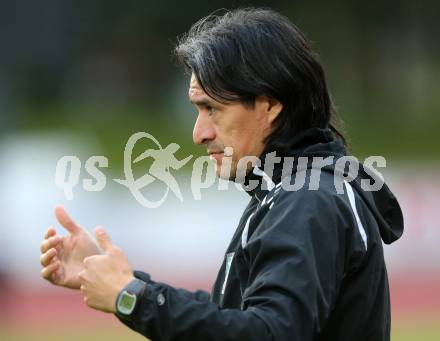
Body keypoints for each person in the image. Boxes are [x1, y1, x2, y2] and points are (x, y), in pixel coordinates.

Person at [39, 8, 404, 341]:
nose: (199, 133)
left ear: (270, 106)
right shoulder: (296, 191)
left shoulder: (308, 201)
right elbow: (237, 316)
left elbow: (270, 333)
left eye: (211, 109)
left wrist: (133, 299)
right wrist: (126, 283)